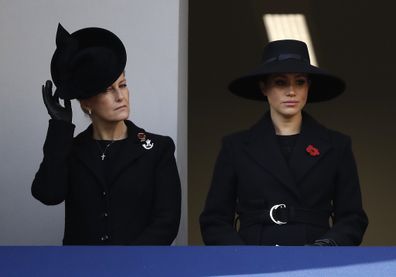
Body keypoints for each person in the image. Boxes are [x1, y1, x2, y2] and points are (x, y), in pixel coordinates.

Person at [200, 39, 368, 246]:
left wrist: (326, 247)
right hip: (253, 262)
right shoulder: (235, 147)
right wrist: (241, 257)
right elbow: (214, 220)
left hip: (315, 262)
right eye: (280, 82)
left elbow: (352, 218)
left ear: (309, 87)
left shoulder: (337, 145)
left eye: (300, 82)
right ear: (264, 87)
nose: (291, 91)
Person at [32, 24, 181, 245]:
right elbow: (48, 194)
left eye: (123, 85)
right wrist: (59, 128)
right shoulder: (70, 150)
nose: (121, 96)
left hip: (137, 269)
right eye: (107, 89)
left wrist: (125, 264)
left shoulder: (158, 148)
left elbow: (166, 223)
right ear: (86, 103)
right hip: (81, 269)